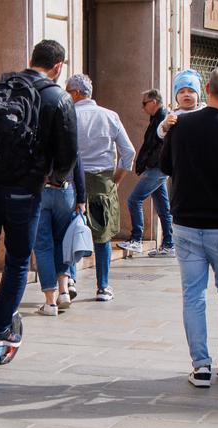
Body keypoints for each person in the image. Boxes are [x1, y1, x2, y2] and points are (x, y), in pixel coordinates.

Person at [0, 39, 77, 346]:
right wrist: (54, 178)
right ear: (58, 67)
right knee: (16, 260)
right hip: (25, 193)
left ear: (31, 58)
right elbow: (68, 156)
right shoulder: (58, 98)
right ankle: (1, 329)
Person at [160, 66, 218, 388]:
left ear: (207, 89)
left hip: (186, 225)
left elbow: (164, 166)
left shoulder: (181, 126)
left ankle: (200, 366)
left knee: (193, 295)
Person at [67, 73, 135, 302]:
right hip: (103, 180)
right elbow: (129, 152)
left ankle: (70, 279)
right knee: (102, 235)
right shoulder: (110, 116)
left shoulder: (68, 115)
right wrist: (116, 179)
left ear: (76, 93)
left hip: (73, 180)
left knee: (71, 229)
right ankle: (103, 286)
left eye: (68, 91)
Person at [119, 89, 175, 258]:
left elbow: (160, 146)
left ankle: (137, 239)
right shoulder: (157, 119)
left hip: (157, 168)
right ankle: (169, 244)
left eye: (144, 103)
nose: (142, 108)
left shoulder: (164, 119)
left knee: (134, 199)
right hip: (157, 167)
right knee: (163, 208)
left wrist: (149, 163)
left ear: (153, 103)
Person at [33, 154, 86, 316]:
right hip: (65, 191)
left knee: (43, 247)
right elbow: (78, 164)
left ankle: (50, 302)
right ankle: (63, 292)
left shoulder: (35, 130)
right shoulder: (66, 130)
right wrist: (82, 199)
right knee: (63, 242)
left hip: (40, 190)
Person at [157, 69, 206, 139]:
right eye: (181, 92)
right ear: (176, 96)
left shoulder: (204, 111)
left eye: (191, 91)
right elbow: (160, 135)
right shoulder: (173, 115)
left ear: (198, 95)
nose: (186, 94)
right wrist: (165, 126)